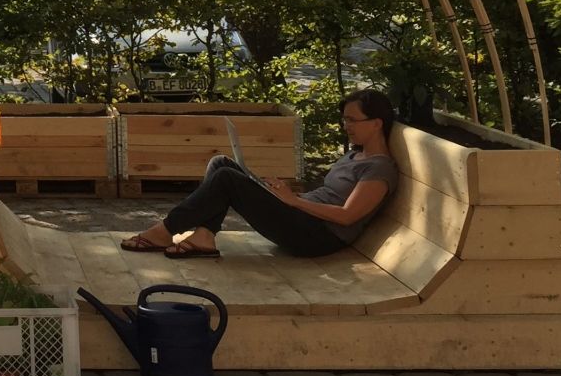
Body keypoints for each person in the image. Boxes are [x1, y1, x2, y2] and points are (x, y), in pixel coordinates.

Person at [121, 88, 400, 259]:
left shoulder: (379, 167)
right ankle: (204, 236)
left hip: (317, 237)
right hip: (303, 217)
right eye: (344, 119)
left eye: (352, 120)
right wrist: (284, 196)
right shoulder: (355, 154)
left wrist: (294, 201)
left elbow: (349, 216)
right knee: (221, 164)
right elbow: (327, 197)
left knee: (228, 180)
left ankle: (165, 231)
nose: (345, 126)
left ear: (376, 123)